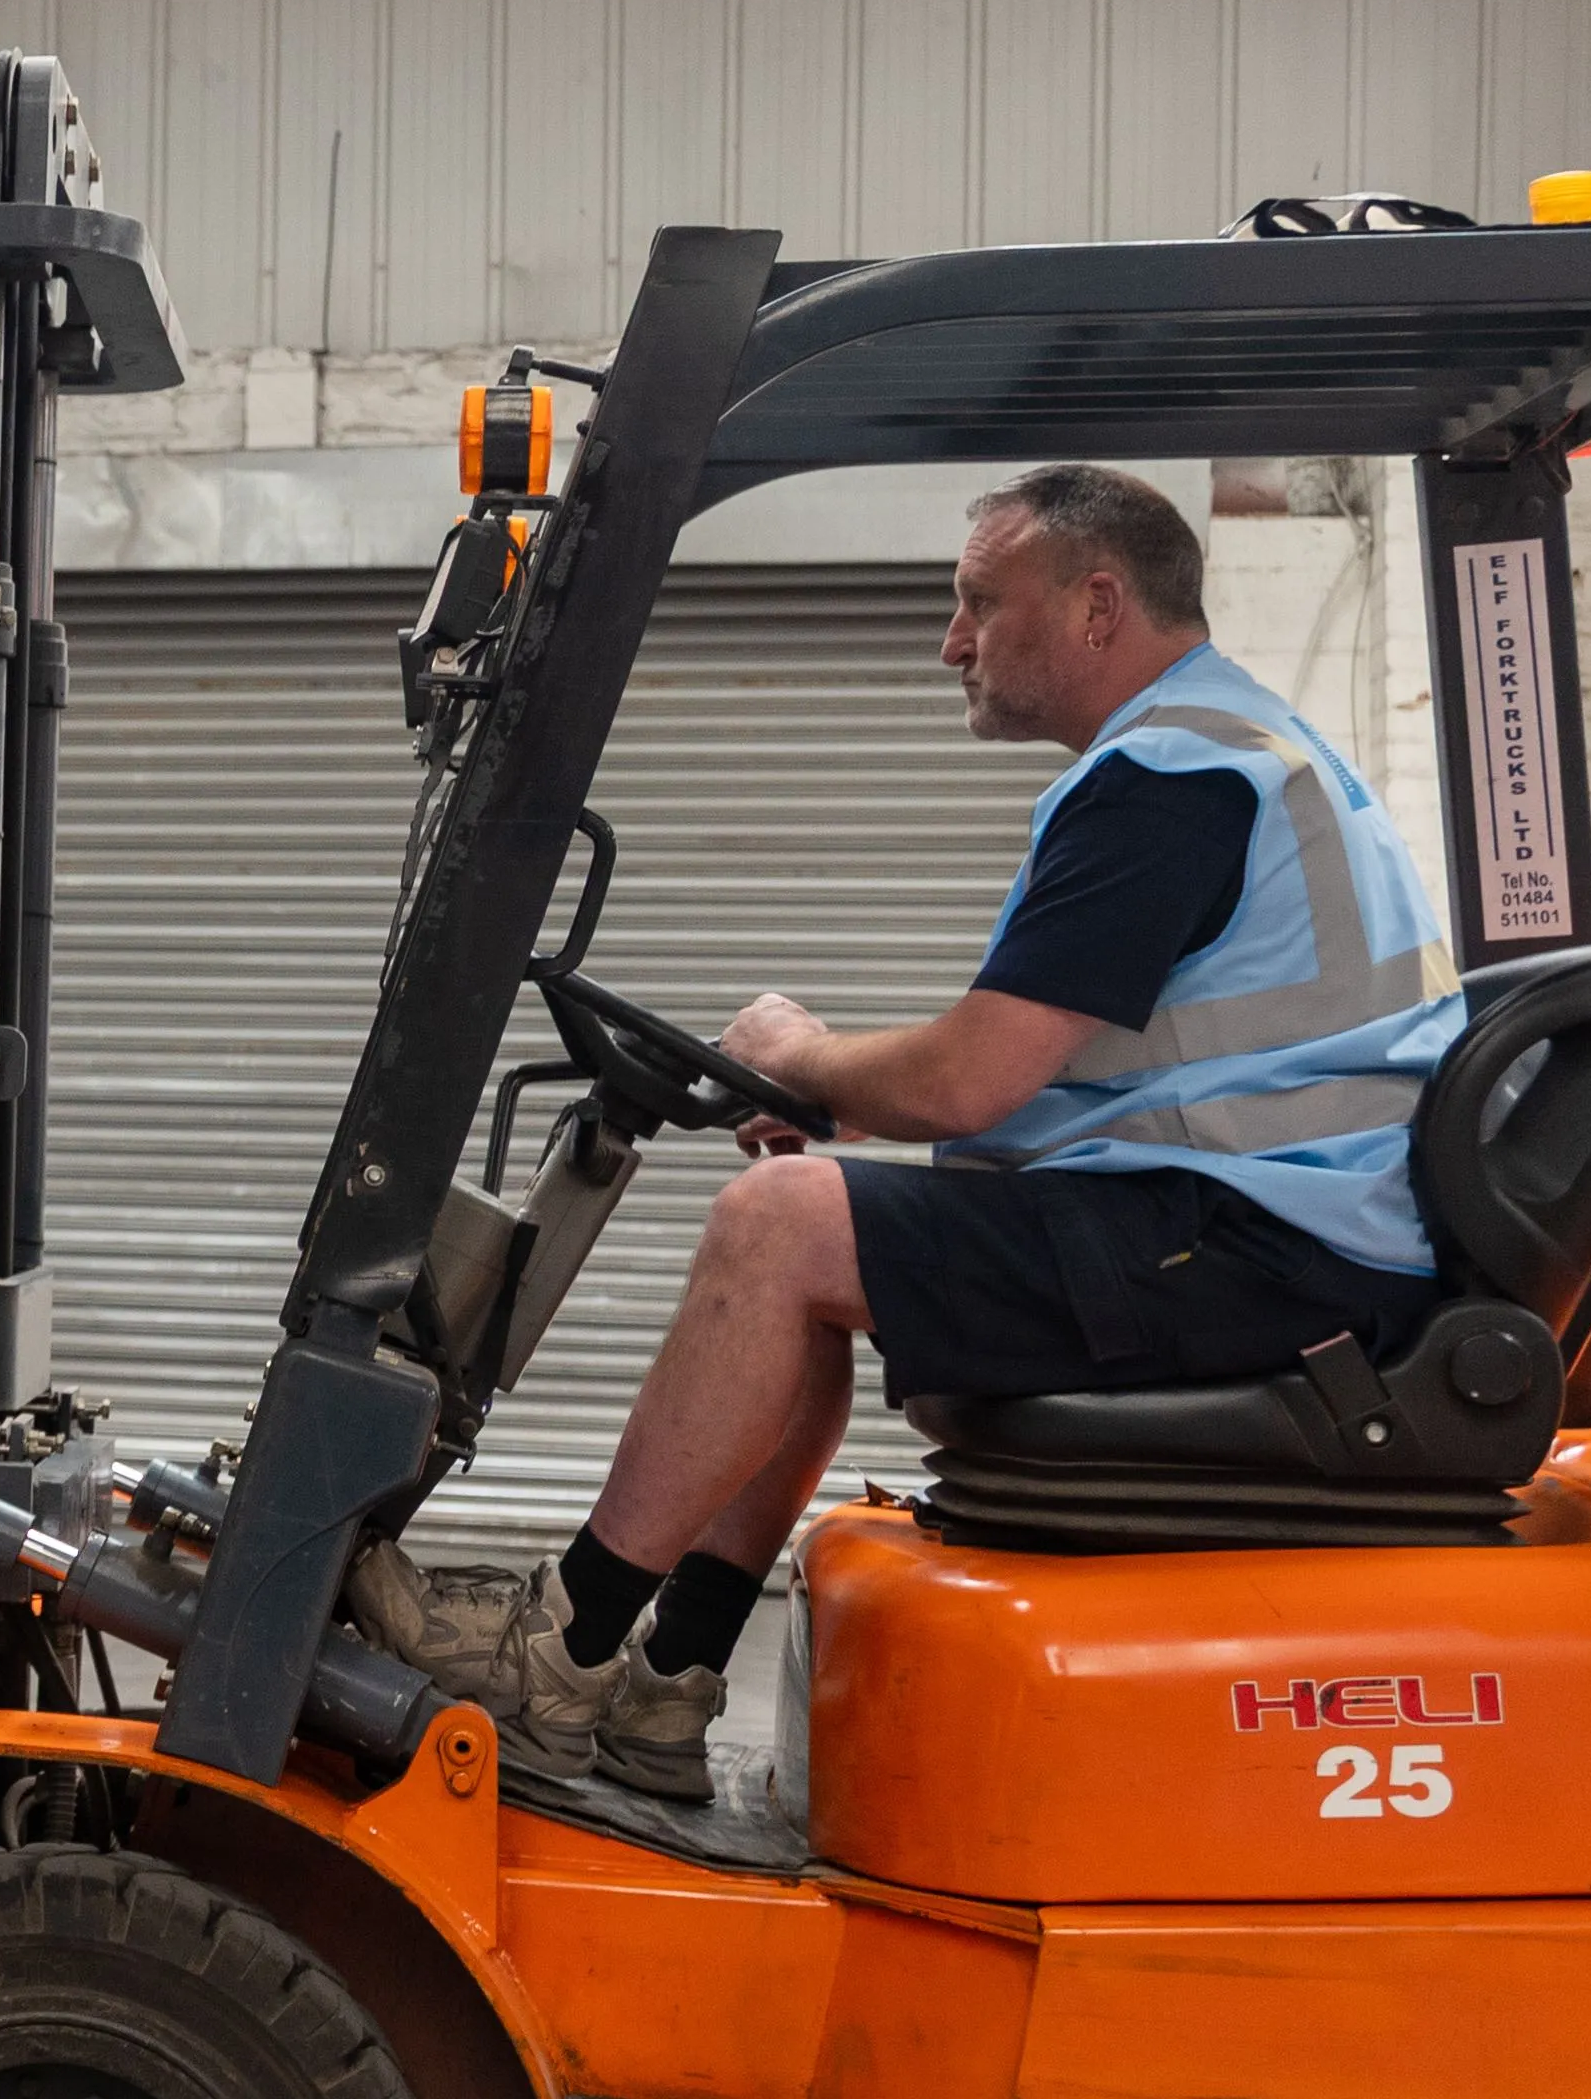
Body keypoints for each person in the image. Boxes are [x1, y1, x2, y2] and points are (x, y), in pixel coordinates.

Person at [373, 460, 1464, 1801]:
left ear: (1097, 605)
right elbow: (1068, 1075)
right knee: (817, 1251)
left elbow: (968, 1081)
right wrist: (824, 1087)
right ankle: (664, 1688)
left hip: (1260, 1255)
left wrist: (799, 1055)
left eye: (978, 603)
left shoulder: (1172, 781)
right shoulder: (1225, 753)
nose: (952, 639)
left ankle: (562, 1650)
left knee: (777, 1226)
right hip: (1253, 1235)